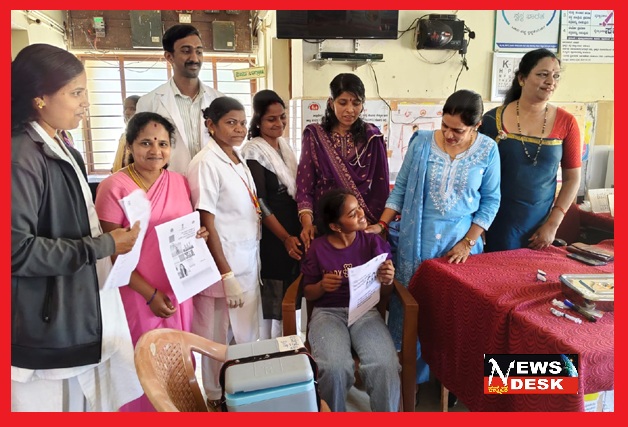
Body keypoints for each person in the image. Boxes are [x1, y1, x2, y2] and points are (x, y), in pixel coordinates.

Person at [11, 43, 142, 412]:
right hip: (44, 319)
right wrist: (103, 246)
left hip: (72, 304)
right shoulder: (21, 155)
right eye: (76, 93)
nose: (86, 103)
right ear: (39, 98)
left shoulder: (61, 144)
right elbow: (16, 251)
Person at [367, 89, 501, 402]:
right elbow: (400, 189)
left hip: (459, 249)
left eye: (459, 130)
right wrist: (382, 224)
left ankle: (450, 379)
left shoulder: (488, 150)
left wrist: (468, 242)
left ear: (477, 125)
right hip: (416, 243)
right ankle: (410, 376)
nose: (449, 135)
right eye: (445, 126)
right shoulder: (422, 142)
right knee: (413, 309)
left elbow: (491, 201)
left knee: (453, 316)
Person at [95, 111, 209, 411]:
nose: (155, 150)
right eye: (146, 143)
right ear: (130, 145)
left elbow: (183, 229)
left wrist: (199, 234)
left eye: (163, 143)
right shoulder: (114, 187)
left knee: (178, 360)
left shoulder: (179, 182)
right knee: (140, 363)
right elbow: (111, 251)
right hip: (135, 292)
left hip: (178, 290)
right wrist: (149, 294)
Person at [187, 97, 261, 410]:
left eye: (242, 123)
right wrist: (226, 273)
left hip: (246, 260)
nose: (239, 129)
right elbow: (206, 221)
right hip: (222, 265)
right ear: (211, 125)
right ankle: (215, 397)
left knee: (242, 335)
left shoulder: (236, 156)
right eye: (231, 123)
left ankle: (239, 393)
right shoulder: (205, 162)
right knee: (215, 338)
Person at [302, 188, 400, 412]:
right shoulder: (318, 248)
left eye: (359, 208)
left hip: (365, 311)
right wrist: (321, 286)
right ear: (336, 226)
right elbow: (308, 293)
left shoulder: (373, 243)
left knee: (385, 364)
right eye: (352, 213)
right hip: (328, 313)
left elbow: (386, 292)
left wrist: (388, 279)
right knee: (334, 368)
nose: (361, 214)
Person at [479, 48, 582, 251]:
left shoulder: (567, 122)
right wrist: (477, 225)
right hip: (495, 221)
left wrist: (553, 224)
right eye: (543, 74)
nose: (551, 81)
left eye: (556, 76)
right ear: (522, 78)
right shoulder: (492, 120)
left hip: (540, 226)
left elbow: (572, 179)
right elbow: (477, 175)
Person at [296, 73, 390, 252]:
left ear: (362, 104)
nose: (350, 110)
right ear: (331, 103)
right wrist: (307, 224)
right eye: (343, 102)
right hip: (325, 223)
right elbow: (304, 186)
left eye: (356, 103)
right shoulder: (314, 136)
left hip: (362, 224)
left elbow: (381, 187)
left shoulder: (372, 137)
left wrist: (379, 225)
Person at [240, 90, 301, 339]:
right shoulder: (253, 152)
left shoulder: (284, 147)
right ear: (258, 121)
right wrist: (285, 237)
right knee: (273, 303)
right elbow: (260, 203)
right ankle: (273, 352)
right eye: (271, 119)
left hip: (293, 233)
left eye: (282, 117)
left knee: (290, 298)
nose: (279, 123)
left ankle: (290, 346)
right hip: (274, 238)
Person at [136, 24, 223, 174]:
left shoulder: (219, 100)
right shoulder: (149, 103)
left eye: (199, 51)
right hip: (170, 183)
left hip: (212, 181)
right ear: (169, 57)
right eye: (186, 51)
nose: (194, 58)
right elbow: (142, 152)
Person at [112, 94, 140, 172]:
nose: (126, 112)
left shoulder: (142, 136)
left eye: (132, 109)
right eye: (125, 109)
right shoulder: (123, 135)